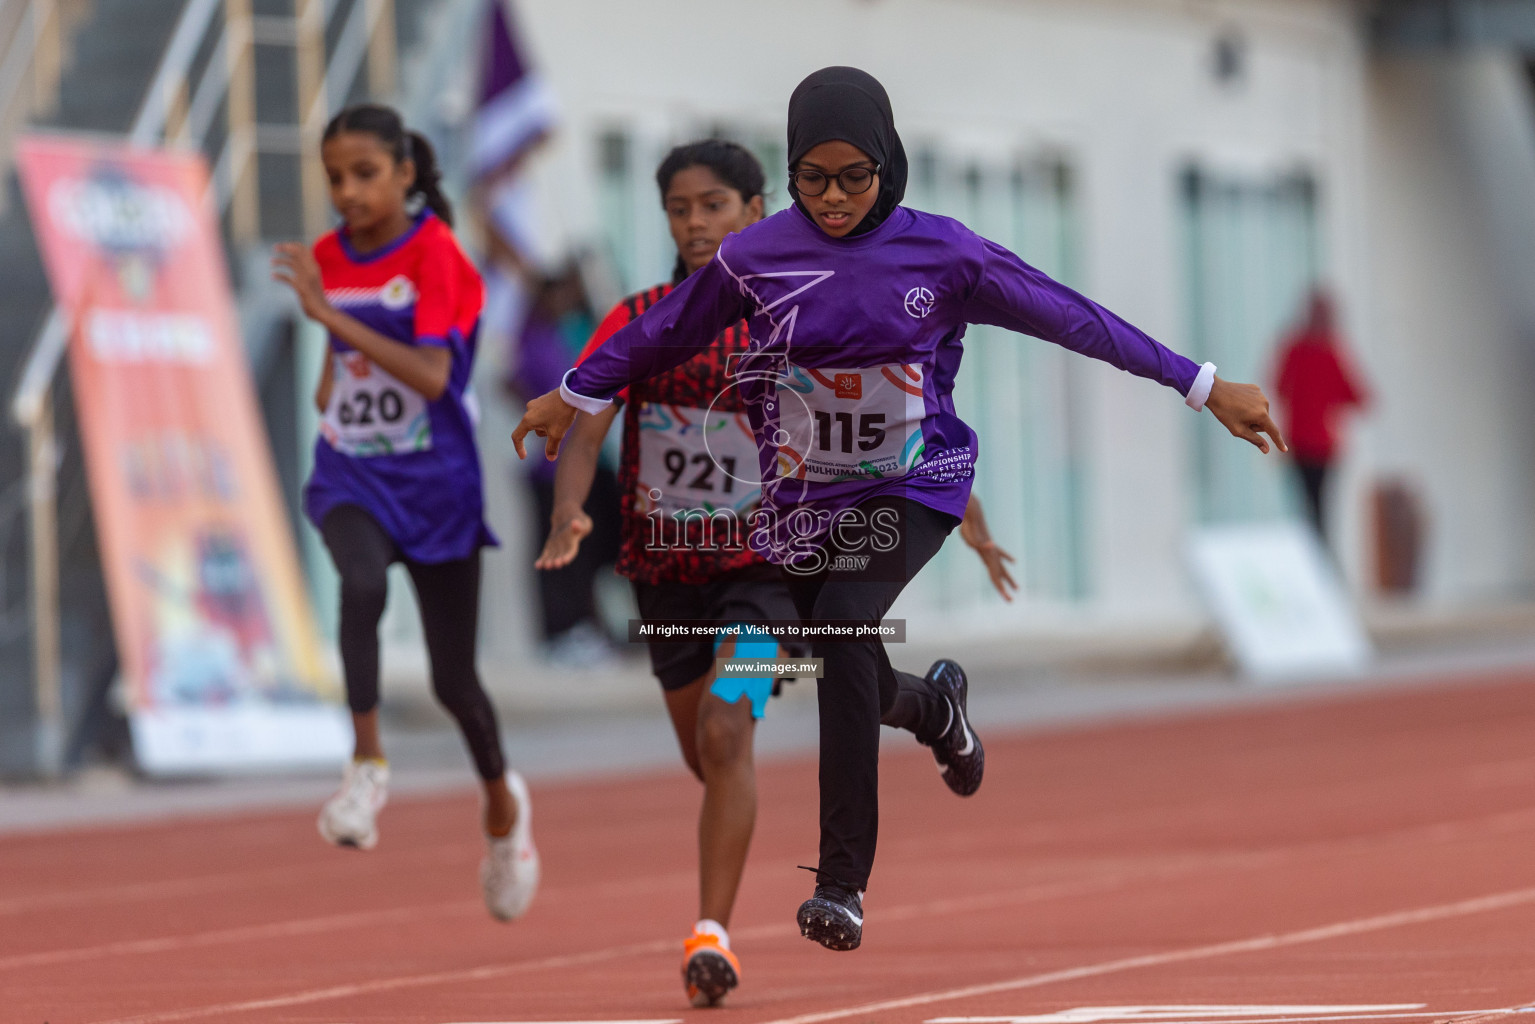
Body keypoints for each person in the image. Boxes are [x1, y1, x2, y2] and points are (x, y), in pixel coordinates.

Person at [513, 67, 1286, 952]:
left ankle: (840, 884)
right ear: (790, 172)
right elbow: (663, 331)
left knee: (843, 626)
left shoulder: (946, 254)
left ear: (890, 165)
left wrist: (1201, 383)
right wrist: (569, 393)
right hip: (800, 502)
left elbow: (1074, 318)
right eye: (813, 178)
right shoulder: (755, 256)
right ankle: (936, 709)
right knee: (847, 665)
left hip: (914, 482)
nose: (833, 198)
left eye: (854, 177)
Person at [538, 139, 1014, 1005]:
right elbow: (589, 421)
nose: (694, 224)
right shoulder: (642, 317)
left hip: (766, 565)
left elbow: (880, 428)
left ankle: (710, 934)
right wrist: (571, 507)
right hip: (667, 571)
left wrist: (963, 516)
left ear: (755, 212)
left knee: (732, 729)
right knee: (712, 751)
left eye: (712, 207)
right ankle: (932, 704)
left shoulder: (789, 315)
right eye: (679, 210)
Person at [272, 103, 538, 922]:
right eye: (334, 178)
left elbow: (430, 377)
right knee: (357, 583)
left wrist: (331, 319)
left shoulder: (439, 257)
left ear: (405, 175)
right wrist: (329, 374)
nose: (346, 192)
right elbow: (339, 355)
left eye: (363, 175)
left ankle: (503, 807)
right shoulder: (326, 254)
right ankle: (365, 766)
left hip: (437, 484)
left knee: (455, 680)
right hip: (353, 471)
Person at [1273, 288, 1370, 545]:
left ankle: (1316, 563)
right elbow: (1358, 397)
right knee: (1315, 510)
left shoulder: (1310, 349)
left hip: (1312, 443)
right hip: (1309, 442)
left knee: (1312, 510)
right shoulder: (1319, 350)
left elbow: (1280, 386)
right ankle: (1316, 561)